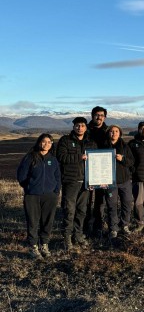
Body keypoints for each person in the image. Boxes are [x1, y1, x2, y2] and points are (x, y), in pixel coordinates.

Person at [17, 133, 61, 259]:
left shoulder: (53, 159)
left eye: (49, 142)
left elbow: (58, 177)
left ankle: (44, 245)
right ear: (39, 142)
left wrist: (56, 191)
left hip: (50, 196)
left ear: (52, 144)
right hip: (32, 196)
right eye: (44, 141)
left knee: (47, 221)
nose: (46, 144)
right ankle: (33, 247)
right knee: (33, 221)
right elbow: (21, 176)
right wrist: (29, 188)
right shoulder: (30, 157)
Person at [56, 117, 97, 250]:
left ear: (86, 128)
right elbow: (61, 157)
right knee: (69, 210)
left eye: (82, 126)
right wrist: (79, 157)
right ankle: (67, 237)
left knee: (82, 210)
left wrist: (94, 180)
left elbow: (95, 163)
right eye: (77, 125)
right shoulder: (65, 141)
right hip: (70, 180)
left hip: (86, 182)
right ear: (73, 127)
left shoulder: (91, 143)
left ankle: (78, 234)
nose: (80, 128)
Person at [104, 125, 134, 240]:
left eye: (116, 131)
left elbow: (132, 162)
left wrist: (123, 159)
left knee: (126, 203)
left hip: (124, 181)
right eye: (111, 131)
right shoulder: (103, 146)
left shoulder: (125, 146)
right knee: (112, 205)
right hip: (110, 182)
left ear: (120, 133)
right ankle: (113, 228)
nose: (114, 133)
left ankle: (125, 225)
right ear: (108, 133)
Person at [85, 106, 108, 237]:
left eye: (101, 115)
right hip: (88, 170)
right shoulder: (85, 130)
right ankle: (86, 226)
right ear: (92, 115)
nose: (99, 117)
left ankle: (98, 226)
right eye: (97, 115)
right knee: (86, 200)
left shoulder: (108, 131)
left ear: (104, 117)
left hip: (103, 171)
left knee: (100, 200)